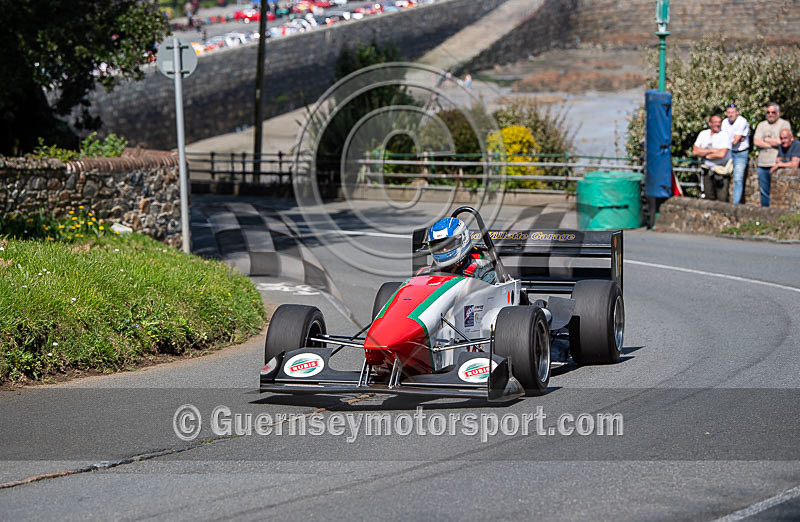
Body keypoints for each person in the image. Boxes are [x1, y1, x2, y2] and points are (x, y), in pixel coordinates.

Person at [423, 217, 497, 284]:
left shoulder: (483, 272)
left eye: (449, 245)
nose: (444, 250)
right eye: (438, 246)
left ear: (464, 240)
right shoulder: (429, 273)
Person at [753, 102, 791, 207]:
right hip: (762, 163)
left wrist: (765, 140)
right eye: (768, 112)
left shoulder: (784, 124)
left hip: (777, 163)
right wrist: (772, 143)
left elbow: (782, 141)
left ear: (778, 113)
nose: (770, 114)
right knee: (764, 193)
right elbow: (756, 141)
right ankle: (765, 212)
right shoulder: (761, 125)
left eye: (773, 112)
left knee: (780, 193)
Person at [692, 114, 732, 202]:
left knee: (722, 199)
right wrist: (713, 150)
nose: (717, 124)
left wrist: (704, 153)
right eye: (715, 122)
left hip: (721, 171)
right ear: (710, 123)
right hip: (707, 170)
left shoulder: (725, 135)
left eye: (719, 122)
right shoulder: (703, 134)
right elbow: (695, 151)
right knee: (708, 198)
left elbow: (722, 154)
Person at [721, 104, 750, 204]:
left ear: (737, 113)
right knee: (722, 174)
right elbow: (723, 139)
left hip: (740, 153)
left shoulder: (742, 121)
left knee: (738, 179)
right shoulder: (724, 122)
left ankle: (736, 204)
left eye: (732, 112)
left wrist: (733, 140)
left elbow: (735, 141)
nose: (730, 115)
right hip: (728, 152)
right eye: (728, 112)